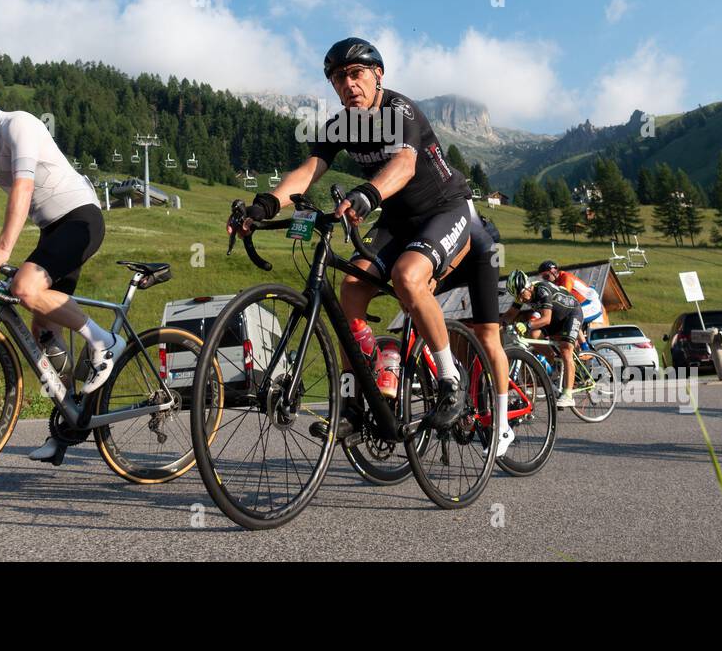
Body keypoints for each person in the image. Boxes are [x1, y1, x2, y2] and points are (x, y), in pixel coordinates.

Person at [227, 38, 514, 455]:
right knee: (350, 289)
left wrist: (366, 195)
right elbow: (309, 170)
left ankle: (457, 388)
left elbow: (404, 164)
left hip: (447, 210)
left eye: (356, 73)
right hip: (398, 221)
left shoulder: (400, 111)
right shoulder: (341, 125)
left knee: (416, 283)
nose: (348, 84)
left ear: (377, 75)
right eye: (338, 78)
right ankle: (353, 401)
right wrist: (266, 204)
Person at [0, 56, 119, 463]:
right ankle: (71, 417)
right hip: (52, 229)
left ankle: (105, 341)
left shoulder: (18, 125)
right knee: (43, 331)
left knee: (24, 288)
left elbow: (21, 188)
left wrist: (1, 250)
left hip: (80, 218)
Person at [504, 269, 586, 411]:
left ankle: (568, 395)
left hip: (571, 313)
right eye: (517, 297)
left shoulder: (542, 290)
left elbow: (546, 319)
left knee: (566, 349)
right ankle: (555, 366)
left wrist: (526, 325)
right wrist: (497, 326)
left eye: (522, 295)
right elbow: (509, 315)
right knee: (534, 336)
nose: (521, 300)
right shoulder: (521, 293)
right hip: (556, 318)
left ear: (528, 287)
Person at [537, 260, 606, 328]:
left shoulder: (566, 277)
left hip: (590, 304)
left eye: (546, 276)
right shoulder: (555, 282)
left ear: (554, 272)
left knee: (568, 320)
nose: (546, 280)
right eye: (543, 278)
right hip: (579, 306)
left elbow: (563, 296)